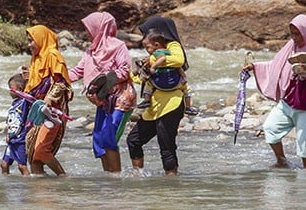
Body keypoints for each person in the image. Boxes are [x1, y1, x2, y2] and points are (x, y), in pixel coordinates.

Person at [243, 14, 306, 169]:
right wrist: (254, 67)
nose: (295, 38)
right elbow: (276, 65)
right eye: (292, 34)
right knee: (270, 128)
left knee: (303, 143)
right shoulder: (290, 48)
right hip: (288, 101)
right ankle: (281, 160)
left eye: (298, 34)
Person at [68, 11, 136, 173]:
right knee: (98, 140)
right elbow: (78, 71)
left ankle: (116, 176)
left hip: (121, 98)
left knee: (108, 137)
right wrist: (58, 77)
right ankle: (109, 177)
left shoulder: (118, 46)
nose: (87, 32)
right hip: (103, 99)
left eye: (90, 28)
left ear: (101, 28)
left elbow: (125, 70)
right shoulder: (91, 51)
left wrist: (106, 78)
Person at [126, 16, 188, 175]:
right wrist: (131, 75)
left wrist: (152, 59)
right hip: (154, 106)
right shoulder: (152, 53)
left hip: (171, 104)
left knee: (166, 146)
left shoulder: (172, 45)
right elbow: (147, 78)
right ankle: (138, 176)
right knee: (133, 140)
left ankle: (171, 182)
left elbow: (178, 60)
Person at [24, 24, 73, 176]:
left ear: (41, 39)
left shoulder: (52, 55)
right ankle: (42, 193)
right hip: (37, 110)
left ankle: (64, 178)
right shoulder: (36, 58)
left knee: (41, 151)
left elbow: (61, 82)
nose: (29, 45)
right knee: (33, 155)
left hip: (52, 111)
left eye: (31, 40)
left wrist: (50, 97)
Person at [136, 28, 197, 116]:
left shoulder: (158, 52)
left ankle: (146, 100)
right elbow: (178, 66)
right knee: (186, 89)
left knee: (148, 84)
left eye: (147, 47)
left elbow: (163, 58)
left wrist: (153, 65)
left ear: (156, 44)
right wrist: (183, 76)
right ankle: (188, 107)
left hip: (161, 83)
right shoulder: (169, 51)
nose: (146, 50)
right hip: (176, 83)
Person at [0, 73, 31, 175]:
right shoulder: (14, 103)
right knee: (4, 164)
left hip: (20, 141)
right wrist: (8, 134)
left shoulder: (25, 102)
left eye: (11, 88)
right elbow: (10, 121)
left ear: (20, 88)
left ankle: (29, 186)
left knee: (22, 167)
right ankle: (7, 186)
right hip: (12, 140)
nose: (9, 91)